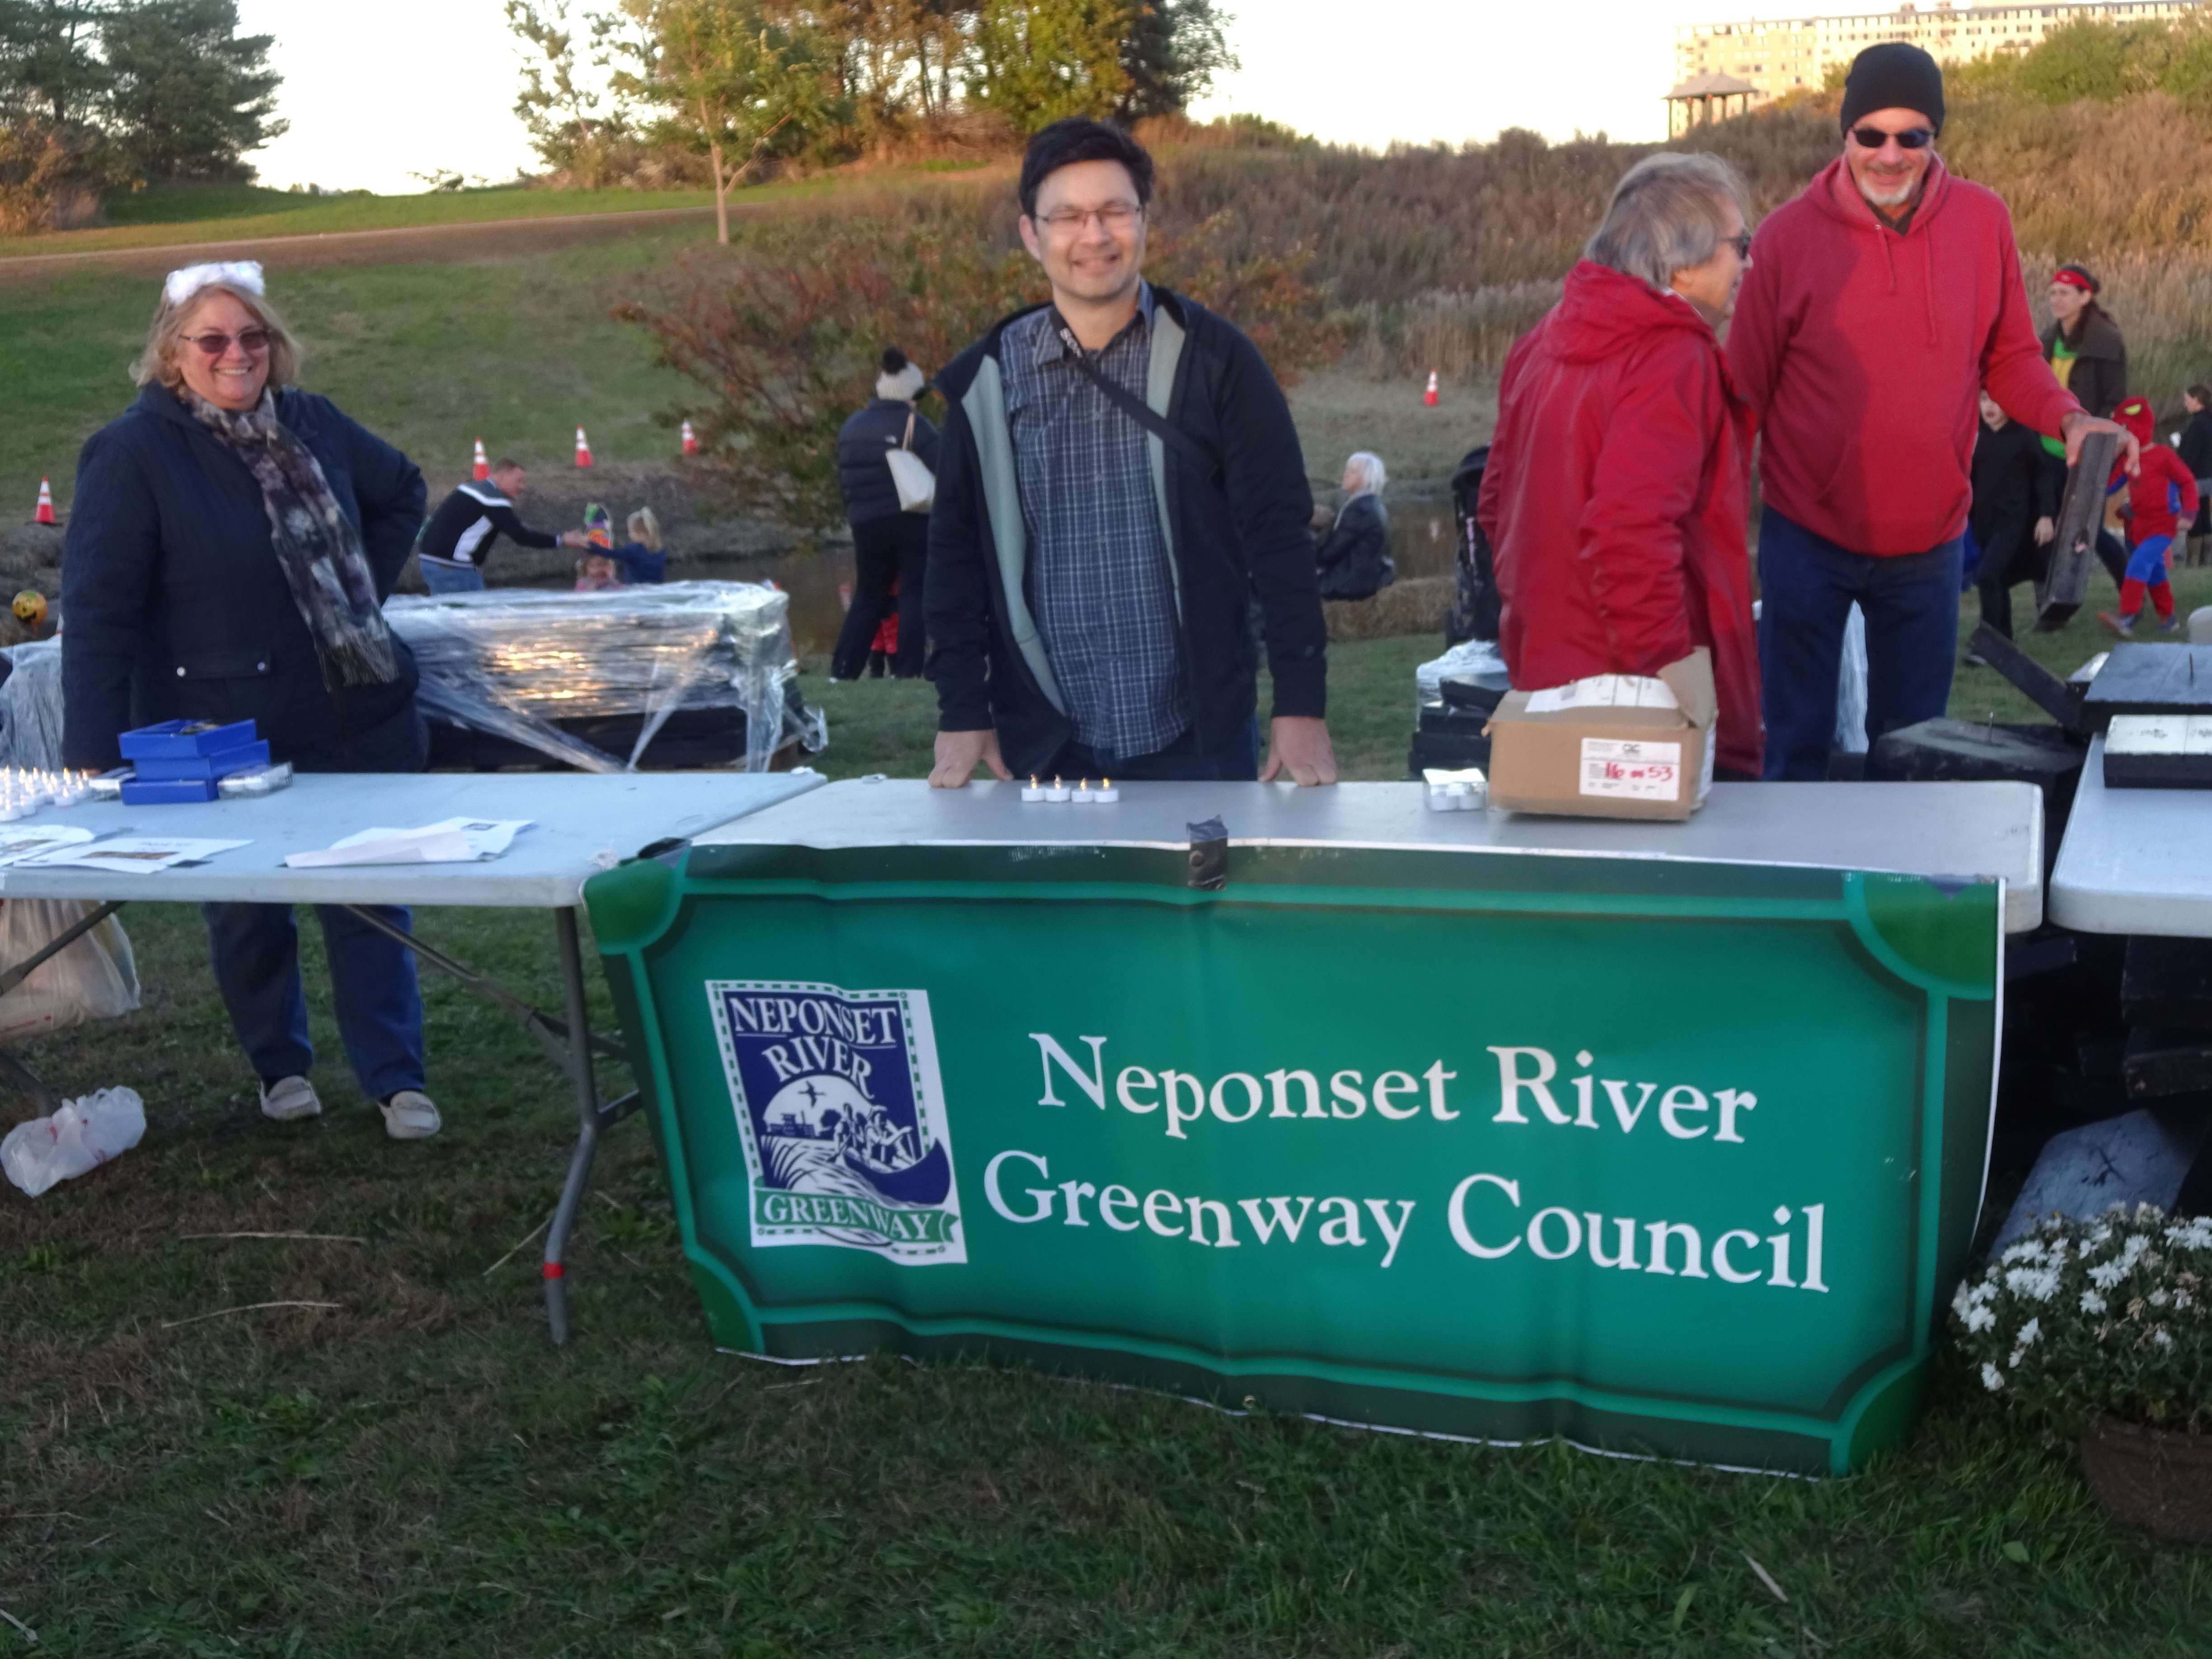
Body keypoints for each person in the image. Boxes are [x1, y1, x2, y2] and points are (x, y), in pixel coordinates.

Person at [60, 260, 445, 1140]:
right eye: (213, 339)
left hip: (353, 713)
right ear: (173, 352)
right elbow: (99, 613)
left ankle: (397, 1078)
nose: (236, 354)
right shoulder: (132, 453)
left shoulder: (313, 421)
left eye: (252, 336)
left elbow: (403, 491)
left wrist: (356, 592)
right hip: (222, 734)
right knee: (246, 910)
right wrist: (92, 757)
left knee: (368, 897)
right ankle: (281, 1066)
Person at [1728, 42, 2136, 780]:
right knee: (1793, 752)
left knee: (1913, 756)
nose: (1890, 155)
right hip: (1807, 535)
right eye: (1871, 135)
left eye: (1911, 136)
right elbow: (1743, 395)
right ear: (1845, 134)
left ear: (1934, 136)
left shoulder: (1982, 221)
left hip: (1929, 541)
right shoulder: (1786, 238)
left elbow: (2010, 357)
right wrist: (1713, 526)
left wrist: (2069, 418)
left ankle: (1892, 860)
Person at [926, 118, 1335, 787]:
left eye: (1115, 211)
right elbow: (955, 560)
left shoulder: (1218, 360)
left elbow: (1279, 538)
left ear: (1145, 220)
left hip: (1199, 734)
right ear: (1031, 234)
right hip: (1047, 744)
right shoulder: (986, 382)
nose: (1094, 236)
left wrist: (1300, 703)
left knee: (1214, 864)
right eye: (1068, 217)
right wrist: (963, 710)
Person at [1478, 152, 1763, 780]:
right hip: (1641, 703)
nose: (1749, 263)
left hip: (1546, 679)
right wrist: (1674, 673)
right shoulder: (1671, 357)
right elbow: (1628, 529)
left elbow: (1496, 505)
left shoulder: (1542, 341)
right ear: (1682, 263)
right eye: (1741, 245)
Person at [831, 347, 938, 680]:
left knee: (868, 594)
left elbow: (845, 477)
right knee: (913, 592)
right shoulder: (914, 424)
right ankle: (908, 670)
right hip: (909, 519)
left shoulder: (852, 426)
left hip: (865, 523)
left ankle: (844, 669)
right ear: (910, 394)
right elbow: (946, 466)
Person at [2100, 395, 2200, 637]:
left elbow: (2188, 482)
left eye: (2125, 428)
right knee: (2155, 573)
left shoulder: (2164, 456)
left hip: (2163, 525)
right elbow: (2109, 486)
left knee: (2139, 564)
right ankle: (2169, 618)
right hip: (2138, 527)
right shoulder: (2127, 460)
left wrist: (2189, 514)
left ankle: (2126, 615)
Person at [417, 458, 587, 593]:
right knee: (473, 621)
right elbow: (521, 536)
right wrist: (562, 540)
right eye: (519, 481)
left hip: (431, 563)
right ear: (503, 475)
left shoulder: (470, 488)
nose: (522, 487)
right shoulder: (491, 499)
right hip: (453, 569)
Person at [1968, 390, 2058, 644]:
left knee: (1987, 576)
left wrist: (2046, 516)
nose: (1990, 406)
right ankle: (2004, 641)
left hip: (2013, 521)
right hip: (1983, 522)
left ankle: (1987, 642)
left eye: (1997, 400)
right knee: (1997, 579)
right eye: (1984, 399)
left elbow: (2043, 477)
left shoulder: (2024, 437)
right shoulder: (1976, 436)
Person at [1315, 452, 1397, 600]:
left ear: (1367, 478)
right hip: (1366, 579)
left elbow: (1329, 554)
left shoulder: (1359, 509)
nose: (1345, 474)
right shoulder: (1372, 504)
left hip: (1351, 584)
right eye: (1347, 470)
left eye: (1353, 471)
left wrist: (1308, 542)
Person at [2178, 383, 2212, 567]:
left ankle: (2193, 560)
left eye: (2187, 400)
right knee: (2205, 515)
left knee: (2194, 515)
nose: (2186, 404)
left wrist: (2177, 473)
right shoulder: (2209, 421)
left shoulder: (2197, 425)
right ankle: (2206, 558)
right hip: (2209, 476)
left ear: (2197, 400)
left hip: (2195, 478)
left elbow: (2189, 455)